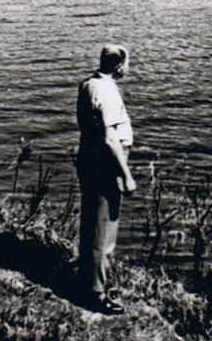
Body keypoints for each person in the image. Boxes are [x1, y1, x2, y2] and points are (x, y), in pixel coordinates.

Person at [76, 44, 136, 315]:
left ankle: (90, 280)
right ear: (118, 66)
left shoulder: (88, 84)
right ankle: (95, 294)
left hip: (89, 157)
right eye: (128, 64)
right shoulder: (107, 92)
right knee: (104, 229)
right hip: (105, 164)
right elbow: (110, 139)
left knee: (92, 224)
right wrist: (127, 174)